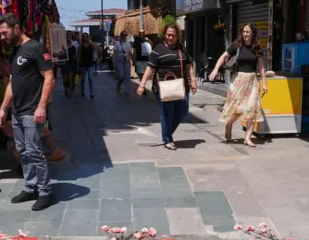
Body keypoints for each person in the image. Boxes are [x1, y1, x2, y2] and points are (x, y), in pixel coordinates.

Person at [0, 13, 57, 212]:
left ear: (17, 28)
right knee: (22, 151)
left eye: (4, 32)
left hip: (32, 110)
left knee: (34, 151)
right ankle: (30, 187)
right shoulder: (13, 51)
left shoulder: (36, 48)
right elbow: (12, 82)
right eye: (0, 34)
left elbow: (49, 78)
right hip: (17, 111)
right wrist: (3, 109)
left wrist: (41, 106)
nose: (2, 37)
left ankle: (46, 192)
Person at [137, 22, 197, 150]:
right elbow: (149, 68)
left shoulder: (182, 49)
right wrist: (142, 85)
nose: (170, 38)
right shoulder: (158, 50)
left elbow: (189, 66)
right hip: (163, 87)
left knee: (183, 112)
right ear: (165, 35)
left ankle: (167, 132)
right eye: (168, 35)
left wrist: (193, 81)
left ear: (177, 36)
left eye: (173, 35)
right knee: (167, 113)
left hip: (181, 86)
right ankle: (168, 139)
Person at [208, 23, 268, 147]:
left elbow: (261, 66)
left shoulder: (257, 47)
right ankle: (229, 124)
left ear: (253, 33)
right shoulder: (237, 45)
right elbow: (224, 56)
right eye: (244, 32)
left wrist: (264, 82)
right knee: (236, 107)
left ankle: (247, 138)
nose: (245, 34)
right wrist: (215, 69)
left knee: (252, 108)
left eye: (248, 32)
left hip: (253, 82)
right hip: (240, 81)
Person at [113, 31, 133, 95]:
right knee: (121, 76)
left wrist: (130, 57)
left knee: (127, 76)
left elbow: (130, 53)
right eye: (123, 35)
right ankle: (118, 84)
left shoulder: (128, 44)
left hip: (127, 60)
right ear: (121, 36)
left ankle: (126, 90)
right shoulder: (117, 43)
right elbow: (115, 53)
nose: (124, 36)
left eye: (125, 35)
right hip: (120, 59)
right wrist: (115, 62)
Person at [78, 32, 95, 98]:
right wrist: (78, 65)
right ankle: (82, 91)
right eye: (83, 36)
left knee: (90, 78)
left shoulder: (91, 45)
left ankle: (92, 92)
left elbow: (94, 54)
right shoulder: (80, 46)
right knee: (83, 79)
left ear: (88, 37)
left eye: (86, 36)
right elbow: (79, 56)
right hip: (82, 64)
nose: (84, 37)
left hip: (90, 64)